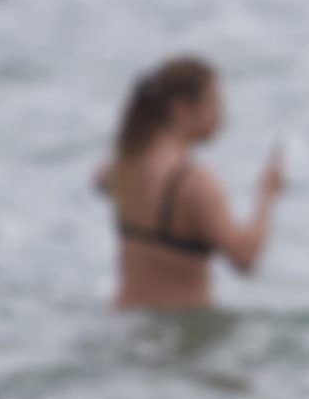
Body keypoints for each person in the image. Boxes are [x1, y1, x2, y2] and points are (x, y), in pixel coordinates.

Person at [95, 55, 286, 310]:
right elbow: (245, 258)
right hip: (179, 331)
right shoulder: (192, 181)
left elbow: (99, 181)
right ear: (182, 108)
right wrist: (267, 194)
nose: (222, 115)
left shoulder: (125, 166)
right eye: (214, 102)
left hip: (127, 320)